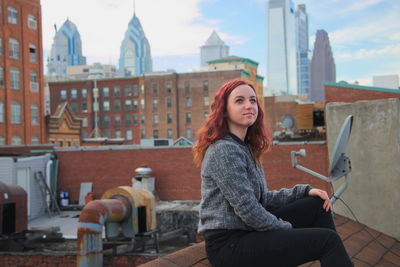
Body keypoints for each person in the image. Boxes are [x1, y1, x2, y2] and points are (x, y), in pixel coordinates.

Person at [193, 79, 352, 267]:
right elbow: (249, 210)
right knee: (328, 241)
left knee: (318, 204)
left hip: (247, 231)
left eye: (253, 100)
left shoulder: (244, 147)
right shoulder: (224, 150)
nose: (249, 106)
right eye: (239, 101)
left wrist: (303, 191)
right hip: (229, 245)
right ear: (224, 110)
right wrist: (287, 230)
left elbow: (263, 199)